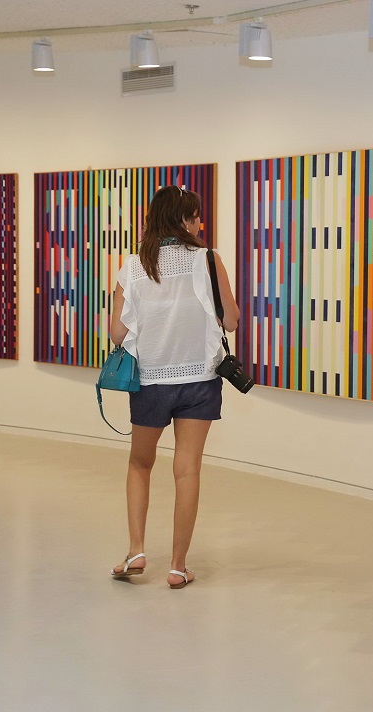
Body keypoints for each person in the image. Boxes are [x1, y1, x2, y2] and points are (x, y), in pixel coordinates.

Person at [107, 185, 240, 589]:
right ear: (184, 220)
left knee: (139, 465)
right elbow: (231, 321)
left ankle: (136, 550)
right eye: (196, 216)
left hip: (150, 384)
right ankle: (179, 567)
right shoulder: (208, 260)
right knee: (187, 471)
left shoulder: (133, 266)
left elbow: (116, 334)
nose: (200, 223)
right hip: (200, 380)